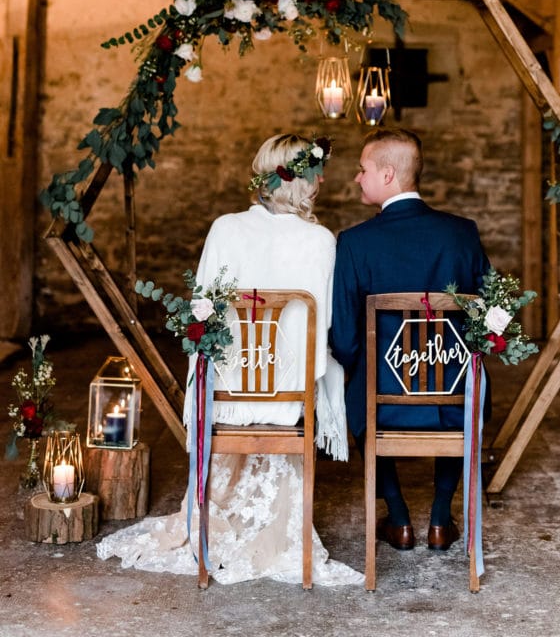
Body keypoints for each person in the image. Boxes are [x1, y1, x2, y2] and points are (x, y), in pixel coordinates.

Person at [98, 134, 362, 586]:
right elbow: (328, 324)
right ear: (295, 181)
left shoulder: (225, 228)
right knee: (333, 365)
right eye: (315, 174)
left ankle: (217, 518)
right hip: (288, 395)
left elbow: (201, 311)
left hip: (229, 391)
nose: (320, 182)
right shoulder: (321, 241)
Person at [329, 127, 490, 554]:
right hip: (451, 401)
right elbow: (492, 314)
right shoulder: (462, 233)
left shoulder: (355, 243)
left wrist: (367, 368)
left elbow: (343, 339)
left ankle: (398, 518)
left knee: (356, 390)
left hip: (382, 403)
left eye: (362, 169)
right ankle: (440, 518)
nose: (357, 177)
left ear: (387, 175)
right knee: (465, 380)